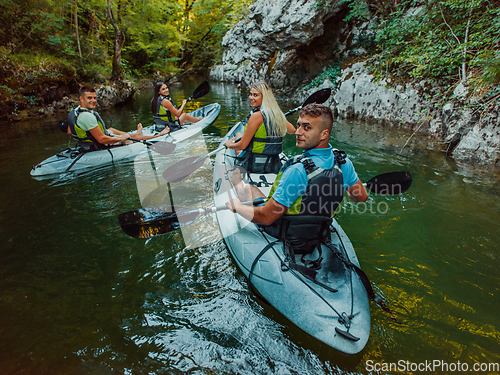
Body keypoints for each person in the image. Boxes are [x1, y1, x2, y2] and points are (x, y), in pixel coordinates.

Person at [225, 103, 368, 240]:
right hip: (318, 231)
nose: (298, 132)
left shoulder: (297, 170)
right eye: (299, 125)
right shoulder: (343, 163)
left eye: (307, 128)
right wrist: (345, 190)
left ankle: (238, 186)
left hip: (286, 231)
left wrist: (238, 207)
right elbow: (361, 197)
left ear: (324, 134)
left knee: (249, 189)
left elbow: (266, 218)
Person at [67, 86, 170, 151]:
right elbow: (102, 139)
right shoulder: (87, 116)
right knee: (131, 138)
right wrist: (120, 138)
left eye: (94, 97)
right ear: (81, 99)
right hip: (98, 145)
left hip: (87, 143)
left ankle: (137, 134)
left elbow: (69, 131)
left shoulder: (76, 111)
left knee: (111, 129)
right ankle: (159, 135)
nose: (93, 100)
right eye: (89, 98)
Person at [224, 81, 296, 173]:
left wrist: (229, 144)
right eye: (250, 94)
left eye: (255, 95)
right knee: (238, 134)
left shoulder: (256, 116)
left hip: (254, 164)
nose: (251, 98)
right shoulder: (277, 114)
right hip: (273, 164)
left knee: (237, 144)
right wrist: (280, 119)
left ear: (264, 97)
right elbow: (293, 130)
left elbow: (242, 145)